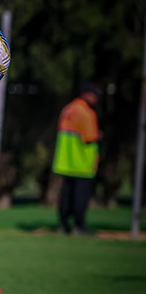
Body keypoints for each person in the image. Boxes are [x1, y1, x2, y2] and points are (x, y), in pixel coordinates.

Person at [52, 82, 102, 235]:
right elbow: (89, 137)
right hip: (82, 162)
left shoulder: (68, 109)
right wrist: (100, 136)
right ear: (85, 94)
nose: (96, 98)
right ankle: (79, 227)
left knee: (66, 196)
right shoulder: (87, 113)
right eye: (93, 95)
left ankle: (63, 225)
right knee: (80, 197)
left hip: (65, 161)